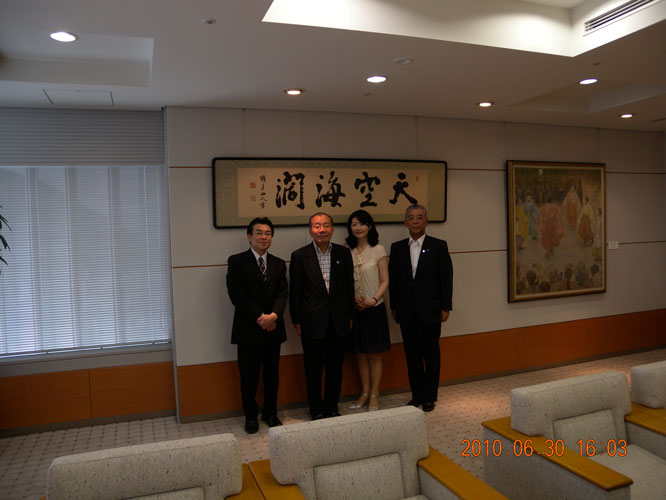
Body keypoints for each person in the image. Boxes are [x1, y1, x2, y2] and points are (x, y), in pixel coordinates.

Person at [289, 212, 355, 420]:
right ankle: (316, 409)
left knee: (336, 368)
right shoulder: (300, 256)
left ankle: (332, 406)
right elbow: (295, 292)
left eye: (326, 225)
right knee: (313, 369)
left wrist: (350, 316)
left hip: (339, 321)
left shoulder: (343, 253)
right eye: (317, 226)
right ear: (310, 230)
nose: (322, 230)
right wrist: (296, 320)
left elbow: (349, 287)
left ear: (332, 229)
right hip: (311, 322)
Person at [388, 204, 453, 412]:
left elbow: (446, 278)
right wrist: (394, 306)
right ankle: (416, 395)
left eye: (419, 217)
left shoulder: (438, 246)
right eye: (411, 218)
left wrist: (446, 306)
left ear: (426, 221)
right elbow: (394, 280)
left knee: (431, 355)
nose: (415, 221)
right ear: (405, 222)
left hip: (431, 309)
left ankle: (429, 397)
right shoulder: (397, 248)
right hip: (406, 311)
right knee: (412, 356)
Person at [226, 217, 288, 434]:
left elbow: (282, 294)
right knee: (249, 377)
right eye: (259, 233)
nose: (264, 237)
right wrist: (261, 317)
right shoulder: (237, 261)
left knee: (272, 376)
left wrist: (273, 316)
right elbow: (237, 295)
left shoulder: (279, 264)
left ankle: (270, 413)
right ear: (249, 237)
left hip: (273, 329)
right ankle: (251, 417)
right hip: (248, 330)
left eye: (268, 233)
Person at [345, 210, 390, 412]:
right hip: (355, 309)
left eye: (362, 224)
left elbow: (385, 280)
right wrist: (352, 299)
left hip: (374, 308)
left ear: (369, 226)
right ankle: (364, 392)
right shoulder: (347, 250)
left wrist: (373, 300)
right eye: (354, 224)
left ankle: (374, 394)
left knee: (374, 354)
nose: (358, 228)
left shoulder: (378, 249)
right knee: (360, 354)